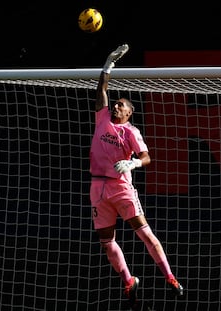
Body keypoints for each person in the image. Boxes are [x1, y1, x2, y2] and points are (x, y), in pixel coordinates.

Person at [89, 44, 184, 308]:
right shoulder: (102, 119)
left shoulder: (131, 132)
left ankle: (170, 277)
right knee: (107, 243)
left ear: (129, 112)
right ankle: (129, 280)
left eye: (121, 106)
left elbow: (146, 157)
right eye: (115, 104)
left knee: (145, 234)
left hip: (121, 187)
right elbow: (102, 90)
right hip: (98, 188)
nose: (115, 106)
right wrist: (108, 64)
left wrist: (131, 164)